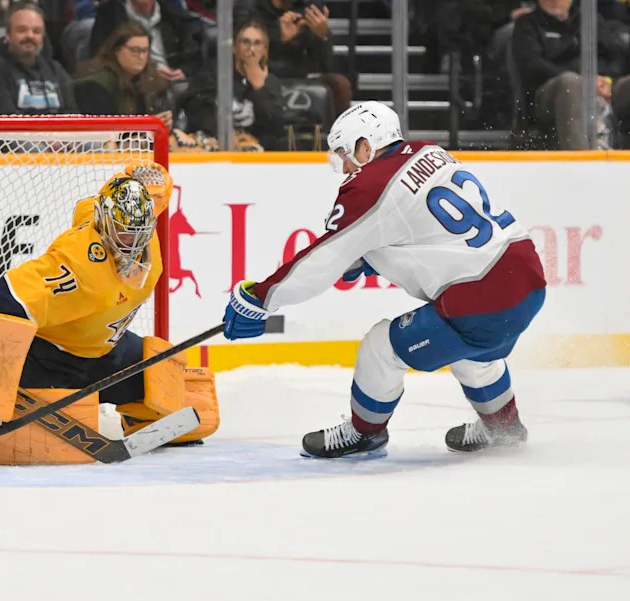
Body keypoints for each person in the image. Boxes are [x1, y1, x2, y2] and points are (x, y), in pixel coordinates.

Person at [222, 101, 547, 458]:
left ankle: (365, 433)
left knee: (380, 347)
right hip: (525, 275)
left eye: (344, 154)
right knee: (473, 353)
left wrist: (260, 298)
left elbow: (323, 258)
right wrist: (371, 257)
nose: (345, 167)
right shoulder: (428, 151)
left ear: (366, 146)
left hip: (482, 298)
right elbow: (426, 234)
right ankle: (504, 429)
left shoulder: (369, 186)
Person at [0, 162, 219, 465]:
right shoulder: (78, 264)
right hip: (50, 359)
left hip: (105, 352)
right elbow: (11, 293)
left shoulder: (140, 215)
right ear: (104, 222)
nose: (132, 243)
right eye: (123, 233)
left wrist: (139, 176)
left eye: (138, 233)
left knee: (164, 379)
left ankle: (138, 418)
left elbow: (145, 191)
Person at [512, 0, 630, 149]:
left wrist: (607, 80)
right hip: (551, 91)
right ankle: (580, 159)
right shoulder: (528, 24)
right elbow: (533, 66)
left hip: (601, 83)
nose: (555, 0)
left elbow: (617, 54)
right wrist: (585, 81)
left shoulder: (589, 19)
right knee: (571, 83)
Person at [182, 20, 286, 151]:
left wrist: (259, 88)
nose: (251, 49)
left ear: (264, 50)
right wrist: (222, 131)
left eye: (257, 43)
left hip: (255, 150)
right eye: (245, 42)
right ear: (234, 47)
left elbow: (275, 128)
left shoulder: (271, 82)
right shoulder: (215, 73)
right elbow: (195, 107)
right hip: (214, 143)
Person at [0, 1, 77, 115]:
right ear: (8, 35)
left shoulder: (55, 69)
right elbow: (6, 116)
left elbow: (73, 113)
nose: (30, 36)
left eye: (36, 31)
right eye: (22, 30)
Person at [74, 23, 171, 128]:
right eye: (135, 50)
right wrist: (146, 126)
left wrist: (163, 122)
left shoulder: (150, 79)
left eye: (145, 51)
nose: (142, 57)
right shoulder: (95, 84)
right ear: (117, 50)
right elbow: (103, 129)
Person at [88, 0, 203, 81]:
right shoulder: (110, 15)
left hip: (174, 82)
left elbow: (194, 56)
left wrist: (184, 71)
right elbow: (100, 57)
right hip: (128, 82)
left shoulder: (175, 16)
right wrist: (148, 72)